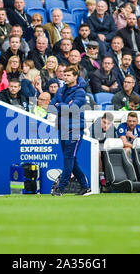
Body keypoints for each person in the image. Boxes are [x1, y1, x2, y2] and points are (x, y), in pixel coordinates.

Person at [51, 66, 90, 196]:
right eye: (64, 75)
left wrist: (60, 105)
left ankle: (61, 188)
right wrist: (64, 106)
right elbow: (51, 105)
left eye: (68, 75)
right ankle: (85, 187)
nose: (65, 77)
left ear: (75, 77)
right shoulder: (61, 90)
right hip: (62, 127)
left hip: (75, 129)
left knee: (68, 158)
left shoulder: (80, 92)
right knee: (71, 160)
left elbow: (71, 109)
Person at [90, 112, 117, 187]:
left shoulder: (113, 129)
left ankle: (115, 176)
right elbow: (91, 143)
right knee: (97, 153)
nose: (106, 125)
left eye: (108, 123)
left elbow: (115, 141)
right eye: (104, 122)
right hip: (96, 148)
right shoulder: (94, 127)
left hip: (106, 149)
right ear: (101, 120)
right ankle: (101, 176)